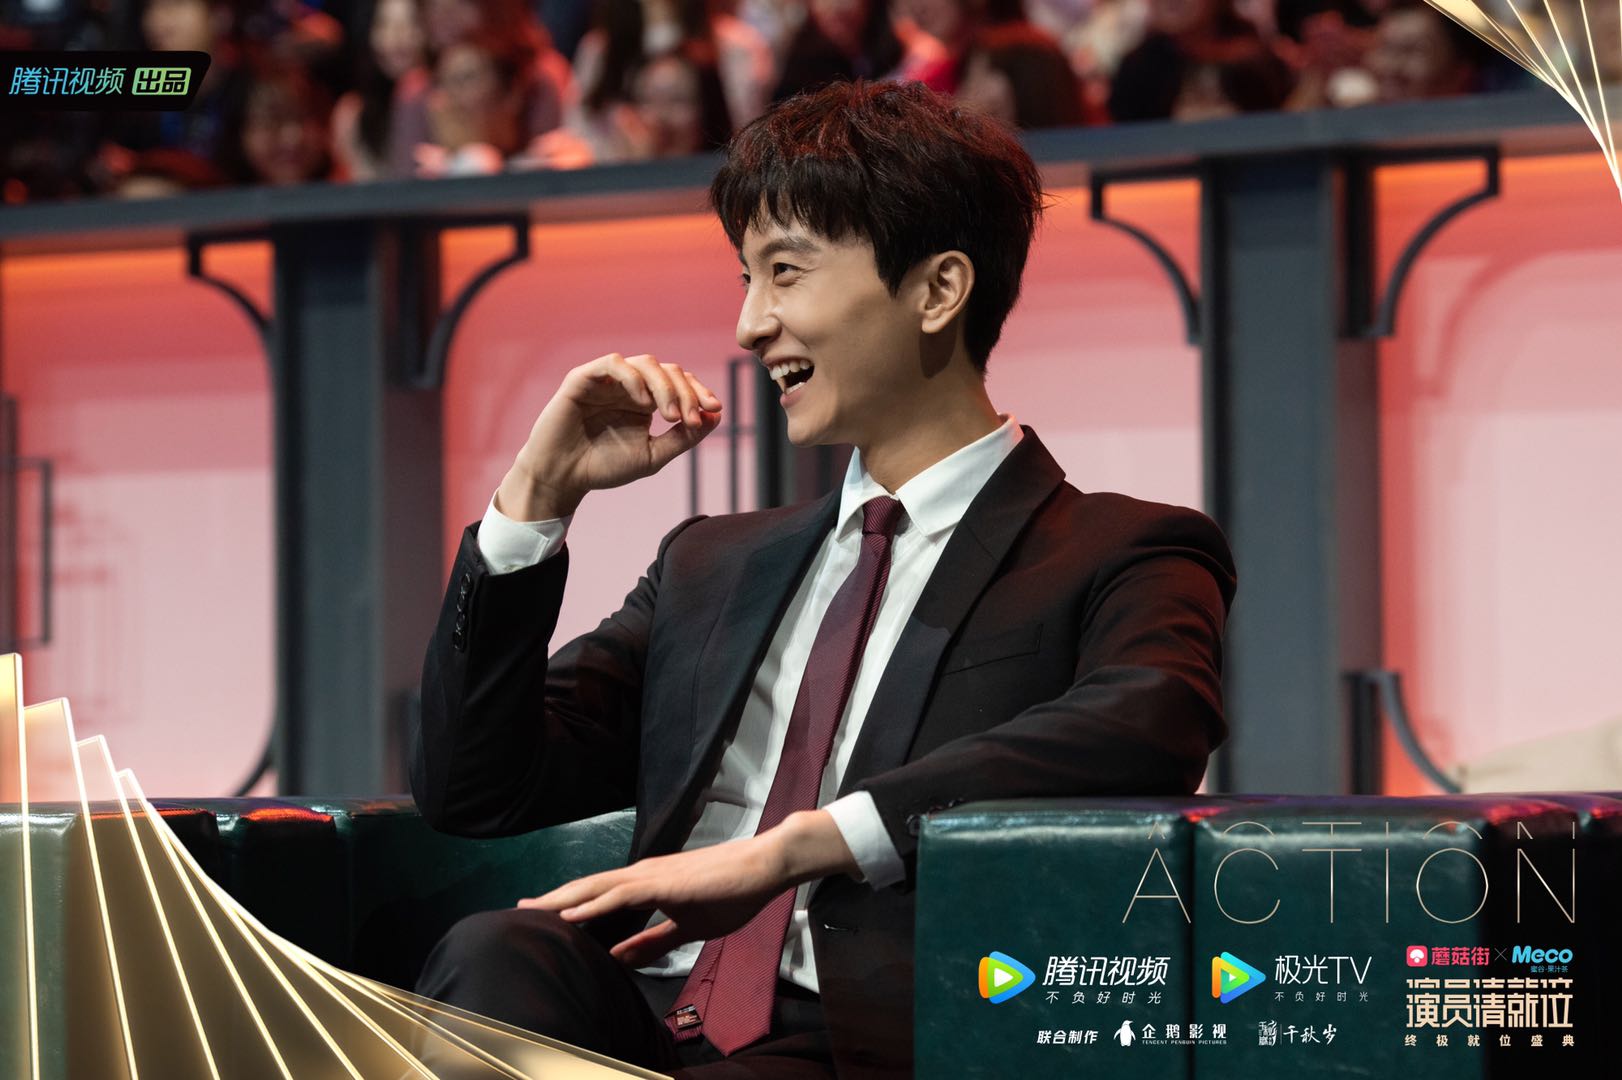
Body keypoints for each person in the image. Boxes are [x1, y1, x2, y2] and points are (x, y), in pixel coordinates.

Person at [411, 79, 1236, 1078]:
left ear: (937, 291)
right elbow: (473, 790)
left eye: (785, 273)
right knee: (496, 951)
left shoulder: (1122, 549)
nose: (749, 325)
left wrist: (794, 850)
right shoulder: (709, 563)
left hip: (860, 1037)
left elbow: (1143, 722)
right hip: (642, 1008)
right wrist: (534, 501)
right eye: (745, 279)